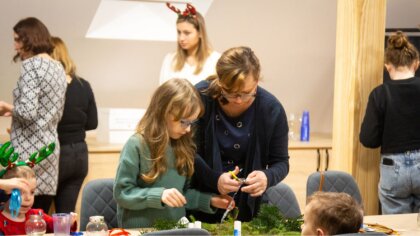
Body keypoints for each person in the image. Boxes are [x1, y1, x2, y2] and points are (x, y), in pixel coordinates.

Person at [113, 78, 231, 228]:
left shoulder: (183, 146)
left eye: (191, 123)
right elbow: (122, 193)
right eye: (183, 122)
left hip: (174, 228)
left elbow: (181, 195)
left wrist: (209, 200)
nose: (188, 129)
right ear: (163, 112)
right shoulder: (137, 144)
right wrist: (159, 195)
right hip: (140, 230)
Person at [190, 46, 290, 222]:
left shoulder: (271, 109)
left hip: (250, 209)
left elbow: (281, 162)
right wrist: (215, 180)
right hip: (201, 204)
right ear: (220, 82)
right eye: (230, 92)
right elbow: (188, 152)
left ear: (257, 81)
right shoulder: (200, 97)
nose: (238, 100)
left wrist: (266, 177)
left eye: (246, 93)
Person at [0, 17, 67, 213]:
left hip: (27, 152)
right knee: (39, 216)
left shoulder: (31, 66)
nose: (15, 46)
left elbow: (28, 112)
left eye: (17, 40)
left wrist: (8, 107)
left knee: (18, 218)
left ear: (29, 39)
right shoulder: (58, 67)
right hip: (49, 149)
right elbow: (52, 112)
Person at [360, 31, 420, 214]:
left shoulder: (379, 94)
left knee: (397, 228)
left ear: (388, 66)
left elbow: (368, 139)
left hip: (392, 167)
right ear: (416, 64)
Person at [50, 36, 98, 214]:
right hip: (79, 155)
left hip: (54, 153)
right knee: (64, 217)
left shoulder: (48, 86)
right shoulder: (83, 84)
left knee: (37, 213)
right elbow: (93, 123)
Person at [0, 166, 77, 235]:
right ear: (5, 191)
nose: (28, 198)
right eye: (20, 193)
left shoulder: (38, 216)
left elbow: (56, 227)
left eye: (32, 192)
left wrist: (67, 224)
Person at [159, 3, 220, 85]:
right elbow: (162, 93)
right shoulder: (170, 59)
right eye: (179, 32)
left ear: (200, 33)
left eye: (187, 33)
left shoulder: (215, 60)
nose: (181, 38)